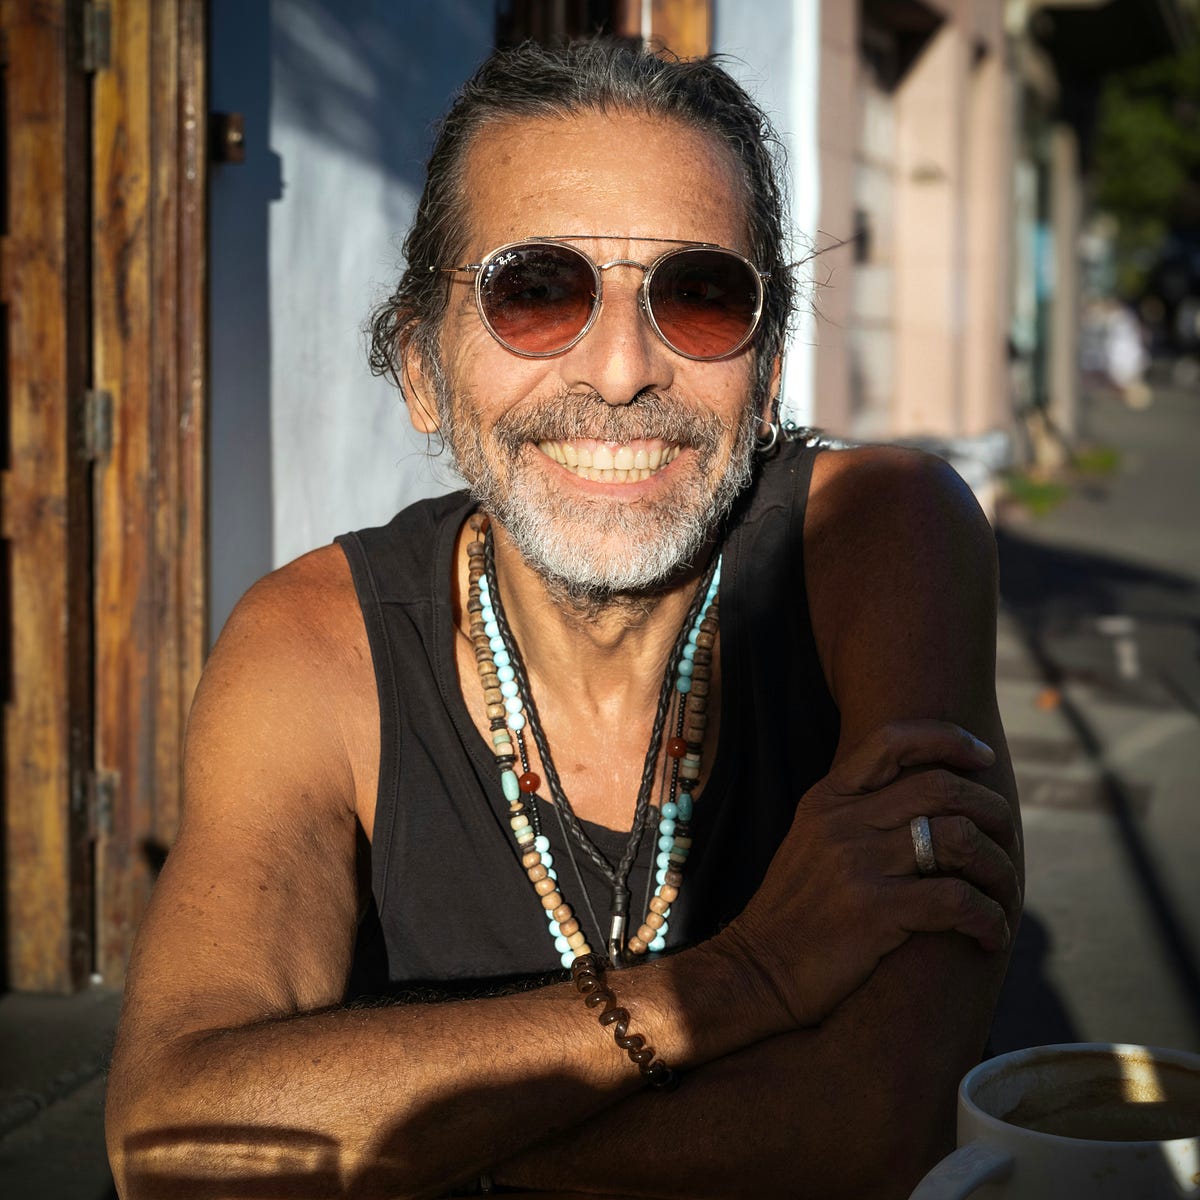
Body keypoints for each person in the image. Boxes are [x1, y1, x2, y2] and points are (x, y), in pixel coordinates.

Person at [105, 40, 1022, 1199]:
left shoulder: (877, 535)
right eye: (535, 293)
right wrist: (751, 976)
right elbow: (177, 1144)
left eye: (699, 295)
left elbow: (881, 1122)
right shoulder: (315, 645)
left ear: (768, 372)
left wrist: (413, 1140)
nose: (624, 369)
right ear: (422, 367)